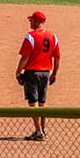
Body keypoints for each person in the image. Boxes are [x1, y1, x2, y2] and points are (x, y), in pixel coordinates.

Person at [15, 10, 61, 141]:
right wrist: (54, 74)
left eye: (31, 20)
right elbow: (57, 57)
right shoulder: (53, 37)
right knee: (42, 103)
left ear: (36, 22)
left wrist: (18, 72)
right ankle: (42, 130)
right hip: (46, 73)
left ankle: (38, 131)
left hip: (32, 73)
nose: (30, 22)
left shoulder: (30, 36)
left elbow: (25, 57)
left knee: (33, 103)